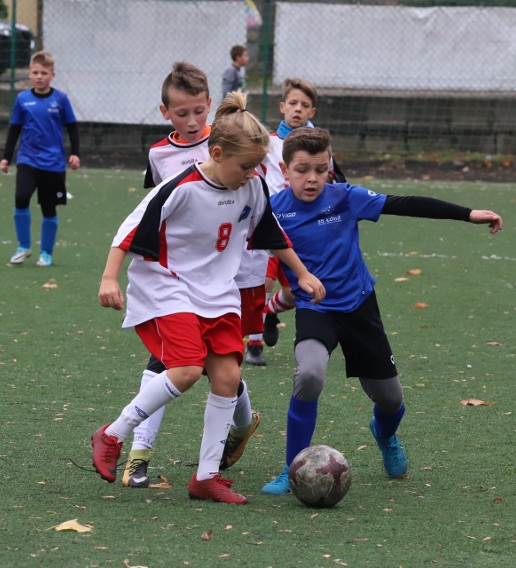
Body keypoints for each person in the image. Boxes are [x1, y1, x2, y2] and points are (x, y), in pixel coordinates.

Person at [92, 92, 326, 504]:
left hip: (218, 293)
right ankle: (112, 434)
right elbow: (127, 232)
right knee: (184, 370)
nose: (253, 173)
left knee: (227, 378)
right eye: (245, 165)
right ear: (216, 153)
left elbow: (270, 234)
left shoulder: (251, 188)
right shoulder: (179, 188)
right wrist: (109, 279)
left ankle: (205, 477)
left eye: (257, 165)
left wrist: (302, 273)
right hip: (168, 285)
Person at [261, 127, 503, 495]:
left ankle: (385, 435)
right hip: (316, 309)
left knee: (390, 400)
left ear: (330, 167)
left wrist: (467, 213)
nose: (312, 178)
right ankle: (291, 466)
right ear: (285, 168)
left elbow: (403, 203)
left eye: (321, 169)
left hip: (359, 307)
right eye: (302, 169)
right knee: (309, 375)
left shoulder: (345, 198)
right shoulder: (274, 210)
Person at [124, 63, 260, 490]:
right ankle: (138, 456)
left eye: (199, 111)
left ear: (210, 110)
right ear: (165, 112)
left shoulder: (227, 145)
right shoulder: (158, 155)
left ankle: (239, 428)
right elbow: (155, 207)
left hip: (222, 277)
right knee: (170, 363)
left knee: (226, 369)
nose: (192, 121)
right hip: (174, 280)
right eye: (182, 113)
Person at [247, 77, 346, 364]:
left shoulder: (320, 146)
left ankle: (270, 312)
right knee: (262, 282)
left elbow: (335, 180)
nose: (298, 109)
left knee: (293, 292)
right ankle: (254, 345)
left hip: (302, 228)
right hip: (270, 223)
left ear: (312, 112)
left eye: (304, 105)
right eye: (292, 103)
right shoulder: (268, 144)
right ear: (282, 107)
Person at [0, 50, 80, 267]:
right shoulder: (23, 99)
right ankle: (23, 246)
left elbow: (72, 127)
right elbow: (14, 129)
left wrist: (75, 153)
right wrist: (6, 157)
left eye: (44, 73)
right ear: (29, 73)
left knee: (48, 207)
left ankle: (46, 253)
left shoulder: (60, 99)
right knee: (21, 196)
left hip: (53, 163)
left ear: (52, 75)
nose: (39, 76)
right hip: (27, 159)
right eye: (35, 72)